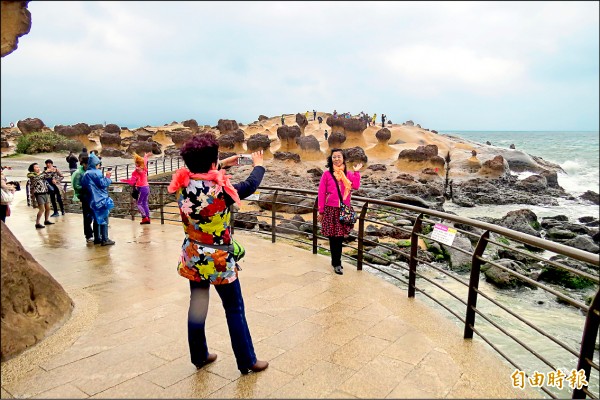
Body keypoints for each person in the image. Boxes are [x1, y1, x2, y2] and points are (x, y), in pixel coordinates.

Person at [167, 133, 269, 375]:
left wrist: (222, 163)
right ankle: (247, 360)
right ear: (212, 161)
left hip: (193, 256)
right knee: (234, 309)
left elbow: (197, 172)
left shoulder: (181, 186)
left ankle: (199, 356)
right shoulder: (221, 190)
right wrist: (259, 166)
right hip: (220, 260)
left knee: (198, 306)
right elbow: (250, 185)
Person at [317, 149, 362, 275]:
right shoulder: (327, 174)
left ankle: (337, 261)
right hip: (330, 209)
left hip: (343, 209)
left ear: (343, 158)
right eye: (334, 157)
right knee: (333, 237)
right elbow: (321, 193)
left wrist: (357, 172)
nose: (336, 159)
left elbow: (356, 185)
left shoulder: (347, 174)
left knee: (340, 237)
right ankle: (336, 262)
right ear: (331, 159)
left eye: (339, 157)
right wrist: (321, 211)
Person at [81, 153, 115, 246]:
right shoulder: (97, 172)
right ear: (97, 164)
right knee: (104, 218)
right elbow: (103, 184)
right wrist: (108, 177)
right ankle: (105, 238)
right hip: (101, 199)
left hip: (91, 200)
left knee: (96, 219)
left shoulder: (86, 174)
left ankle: (97, 238)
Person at [71, 155, 99, 243]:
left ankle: (96, 234)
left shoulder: (91, 171)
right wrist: (87, 188)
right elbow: (76, 186)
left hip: (94, 196)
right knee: (87, 216)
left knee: (95, 215)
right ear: (83, 164)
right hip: (85, 196)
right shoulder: (79, 173)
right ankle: (88, 235)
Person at [120, 152, 152, 224]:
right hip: (147, 187)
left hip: (141, 188)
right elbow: (144, 162)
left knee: (139, 203)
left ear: (137, 163)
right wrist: (145, 156)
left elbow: (132, 182)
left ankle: (144, 217)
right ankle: (148, 218)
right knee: (145, 203)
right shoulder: (144, 169)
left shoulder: (136, 171)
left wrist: (124, 180)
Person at [27, 163, 55, 229]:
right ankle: (37, 223)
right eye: (36, 167)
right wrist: (45, 172)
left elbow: (48, 177)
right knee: (42, 209)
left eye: (38, 167)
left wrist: (52, 171)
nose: (38, 168)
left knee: (48, 208)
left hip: (45, 192)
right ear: (32, 168)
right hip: (39, 193)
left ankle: (46, 220)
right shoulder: (31, 174)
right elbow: (37, 178)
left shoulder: (41, 174)